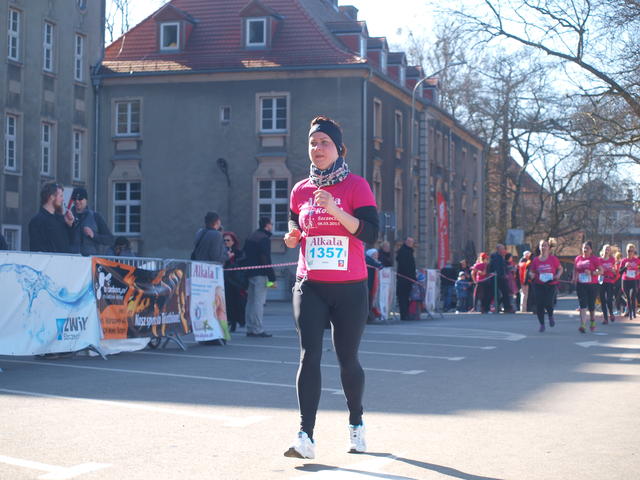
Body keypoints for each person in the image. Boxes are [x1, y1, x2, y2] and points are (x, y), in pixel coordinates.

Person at [283, 115, 379, 459]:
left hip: (350, 287)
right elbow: (294, 221)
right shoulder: (300, 190)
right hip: (309, 284)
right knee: (308, 355)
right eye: (313, 143)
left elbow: (371, 232)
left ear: (339, 149)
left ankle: (356, 423)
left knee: (347, 359)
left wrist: (336, 210)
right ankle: (305, 436)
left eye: (325, 142)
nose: (317, 148)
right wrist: (292, 236)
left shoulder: (356, 186)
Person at [243, 217, 276, 338]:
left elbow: (244, 254)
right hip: (261, 274)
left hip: (249, 272)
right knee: (259, 302)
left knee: (250, 301)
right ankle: (257, 328)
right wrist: (272, 277)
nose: (272, 226)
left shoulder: (251, 236)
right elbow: (265, 258)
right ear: (267, 225)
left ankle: (250, 327)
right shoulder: (264, 238)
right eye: (271, 224)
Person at [528, 240, 563, 332]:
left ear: (548, 248)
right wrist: (531, 274)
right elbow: (531, 271)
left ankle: (550, 316)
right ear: (539, 248)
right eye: (542, 246)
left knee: (548, 302)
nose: (543, 247)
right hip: (539, 284)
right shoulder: (536, 260)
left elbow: (560, 269)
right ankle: (542, 324)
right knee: (539, 304)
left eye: (545, 246)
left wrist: (557, 275)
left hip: (550, 284)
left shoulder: (553, 259)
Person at [28, 182, 73, 253]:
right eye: (61, 196)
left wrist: (70, 225)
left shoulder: (61, 219)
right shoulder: (37, 221)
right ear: (52, 197)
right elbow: (36, 250)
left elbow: (70, 244)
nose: (62, 199)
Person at [69, 187, 113, 256]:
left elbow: (110, 239)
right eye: (74, 199)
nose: (77, 201)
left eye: (80, 199)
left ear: (86, 200)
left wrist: (94, 235)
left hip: (90, 259)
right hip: (72, 258)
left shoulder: (96, 216)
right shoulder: (67, 216)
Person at [573, 241, 602, 333]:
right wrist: (574, 278)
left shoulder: (594, 259)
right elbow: (575, 269)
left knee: (591, 305)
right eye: (584, 248)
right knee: (582, 304)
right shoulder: (578, 258)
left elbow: (601, 271)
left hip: (592, 285)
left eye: (587, 248)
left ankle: (592, 321)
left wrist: (592, 273)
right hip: (581, 284)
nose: (585, 250)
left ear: (591, 250)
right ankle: (583, 325)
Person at [222, 231, 247, 332]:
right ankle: (229, 321)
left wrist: (233, 259)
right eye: (224, 240)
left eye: (228, 240)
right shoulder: (222, 252)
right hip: (226, 280)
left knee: (237, 302)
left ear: (233, 241)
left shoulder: (238, 252)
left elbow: (242, 263)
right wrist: (227, 258)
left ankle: (236, 321)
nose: (226, 242)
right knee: (227, 302)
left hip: (236, 281)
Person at [488, 244, 514, 313]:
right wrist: (502, 275)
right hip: (497, 277)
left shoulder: (501, 257)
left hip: (501, 277)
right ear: (499, 250)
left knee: (505, 292)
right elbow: (497, 268)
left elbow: (503, 266)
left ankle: (506, 307)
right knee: (499, 293)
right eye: (503, 249)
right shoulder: (496, 257)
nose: (504, 250)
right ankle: (501, 307)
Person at [396, 237, 417, 320]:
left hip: (408, 278)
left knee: (407, 296)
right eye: (409, 242)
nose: (410, 243)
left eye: (412, 242)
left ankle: (406, 314)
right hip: (404, 278)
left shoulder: (409, 251)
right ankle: (404, 314)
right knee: (403, 297)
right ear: (405, 242)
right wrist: (411, 276)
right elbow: (405, 266)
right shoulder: (403, 251)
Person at [619, 243, 639, 320]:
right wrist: (625, 267)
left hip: (634, 280)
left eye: (631, 251)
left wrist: (638, 271)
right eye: (628, 251)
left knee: (632, 296)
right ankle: (630, 313)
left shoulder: (637, 260)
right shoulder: (624, 260)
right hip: (625, 280)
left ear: (634, 252)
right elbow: (620, 272)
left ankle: (633, 312)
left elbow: (639, 268)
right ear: (626, 251)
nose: (630, 252)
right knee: (628, 297)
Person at [599, 244, 617, 324]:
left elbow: (615, 272)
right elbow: (596, 270)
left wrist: (612, 270)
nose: (607, 251)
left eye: (608, 249)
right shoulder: (599, 260)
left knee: (609, 299)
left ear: (610, 252)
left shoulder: (612, 259)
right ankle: (605, 318)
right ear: (603, 250)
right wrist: (600, 271)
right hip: (601, 280)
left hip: (609, 281)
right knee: (602, 300)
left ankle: (611, 313)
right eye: (606, 249)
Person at [365, 248, 383, 324]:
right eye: (375, 254)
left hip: (371, 283)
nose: (377, 256)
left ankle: (369, 315)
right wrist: (379, 265)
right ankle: (367, 317)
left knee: (370, 299)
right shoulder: (368, 260)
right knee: (368, 299)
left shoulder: (371, 260)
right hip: (368, 283)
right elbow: (378, 266)